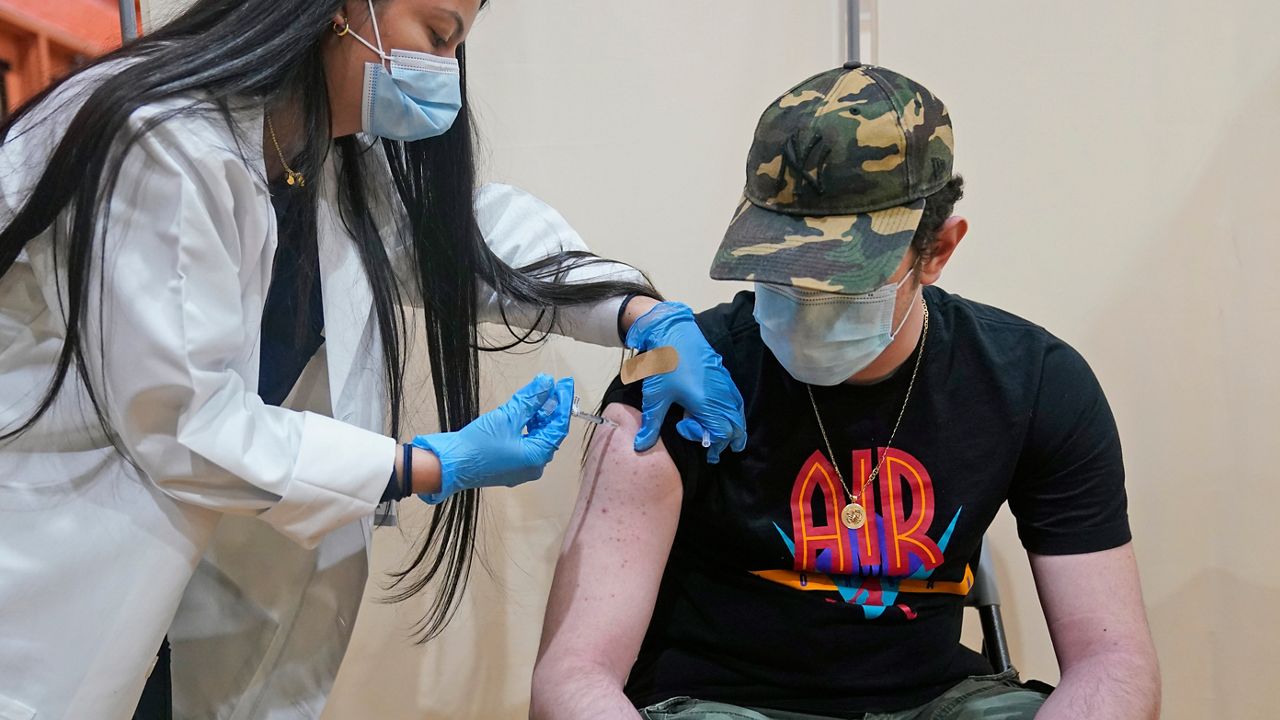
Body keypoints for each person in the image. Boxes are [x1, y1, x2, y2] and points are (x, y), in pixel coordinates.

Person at [0, 0, 748, 718]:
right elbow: (183, 423)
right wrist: (428, 464)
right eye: (435, 33)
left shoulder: (319, 159)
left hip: (177, 592)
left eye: (457, 46)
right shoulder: (162, 143)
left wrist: (639, 313)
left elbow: (473, 243)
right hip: (47, 584)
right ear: (338, 8)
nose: (445, 73)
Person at [532, 63, 1160, 720]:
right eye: (780, 266)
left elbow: (1112, 659)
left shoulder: (1032, 382)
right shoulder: (675, 376)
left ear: (938, 250)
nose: (804, 299)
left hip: (937, 702)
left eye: (843, 276)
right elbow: (573, 677)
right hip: (719, 704)